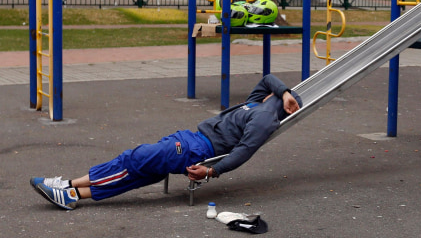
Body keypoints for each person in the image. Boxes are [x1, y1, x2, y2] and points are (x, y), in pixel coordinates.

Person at [31, 74, 302, 210]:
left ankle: (66, 186)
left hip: (194, 150)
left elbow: (244, 151)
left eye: (278, 94)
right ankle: (72, 195)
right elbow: (269, 79)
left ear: (280, 104)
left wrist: (211, 171)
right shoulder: (259, 103)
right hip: (190, 139)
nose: (272, 91)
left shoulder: (264, 118)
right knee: (141, 174)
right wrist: (285, 91)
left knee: (133, 159)